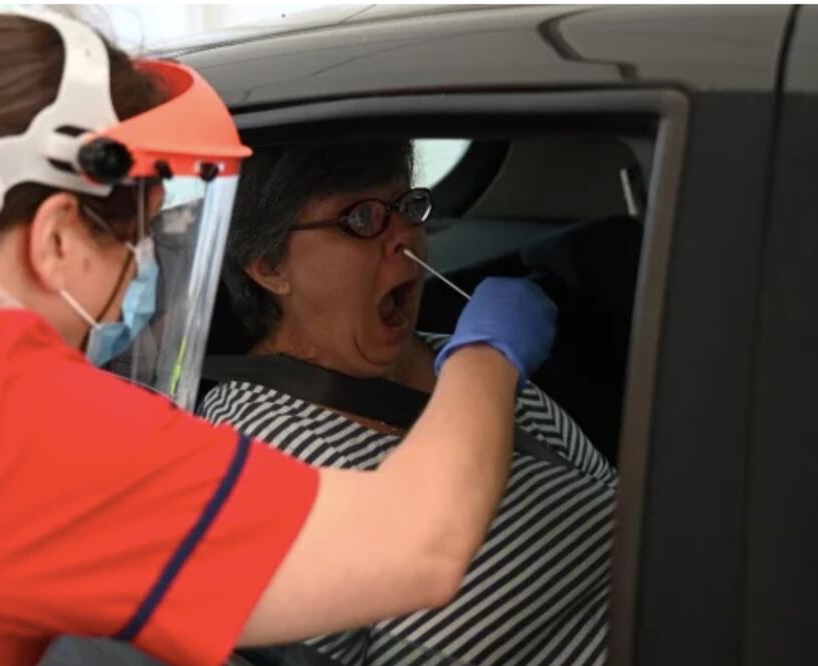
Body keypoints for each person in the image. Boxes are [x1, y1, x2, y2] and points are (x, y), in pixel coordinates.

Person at [0, 12, 557, 666]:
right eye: (136, 243)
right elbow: (416, 549)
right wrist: (488, 353)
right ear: (58, 237)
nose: (137, 281)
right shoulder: (8, 416)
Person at [203, 141, 617, 665]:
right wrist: (486, 364)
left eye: (408, 207)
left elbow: (620, 511)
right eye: (361, 219)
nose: (405, 236)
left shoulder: (460, 357)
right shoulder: (252, 452)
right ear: (269, 267)